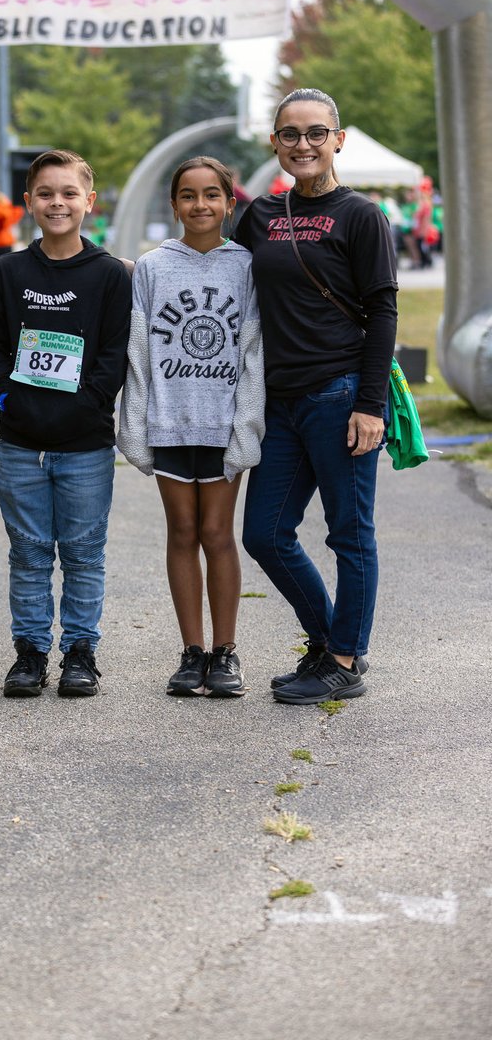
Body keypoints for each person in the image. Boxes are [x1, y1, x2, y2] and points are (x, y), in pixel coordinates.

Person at [236, 88, 397, 705]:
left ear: (338, 140)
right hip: (280, 401)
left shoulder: (361, 216)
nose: (302, 144)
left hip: (340, 393)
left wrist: (370, 405)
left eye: (315, 133)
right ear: (274, 142)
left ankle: (345, 661)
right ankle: (329, 640)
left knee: (349, 535)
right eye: (290, 134)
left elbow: (382, 312)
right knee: (265, 533)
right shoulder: (260, 215)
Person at [0, 149, 132, 699]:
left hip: (86, 444)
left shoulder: (110, 275)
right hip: (20, 443)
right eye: (45, 194)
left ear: (89, 201)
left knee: (84, 553)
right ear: (28, 203)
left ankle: (81, 653)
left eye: (68, 193)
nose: (56, 203)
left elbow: (115, 353)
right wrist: (8, 397)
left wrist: (87, 403)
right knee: (29, 553)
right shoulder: (8, 272)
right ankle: (30, 653)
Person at [117, 157, 265, 697]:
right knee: (181, 532)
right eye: (188, 195)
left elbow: (253, 352)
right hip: (170, 423)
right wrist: (135, 424)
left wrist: (245, 427)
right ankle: (192, 651)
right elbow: (138, 351)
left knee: (217, 534)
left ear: (229, 203)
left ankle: (225, 652)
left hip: (223, 424)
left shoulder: (247, 266)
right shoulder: (153, 267)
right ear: (174, 204)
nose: (199, 204)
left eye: (211, 195)